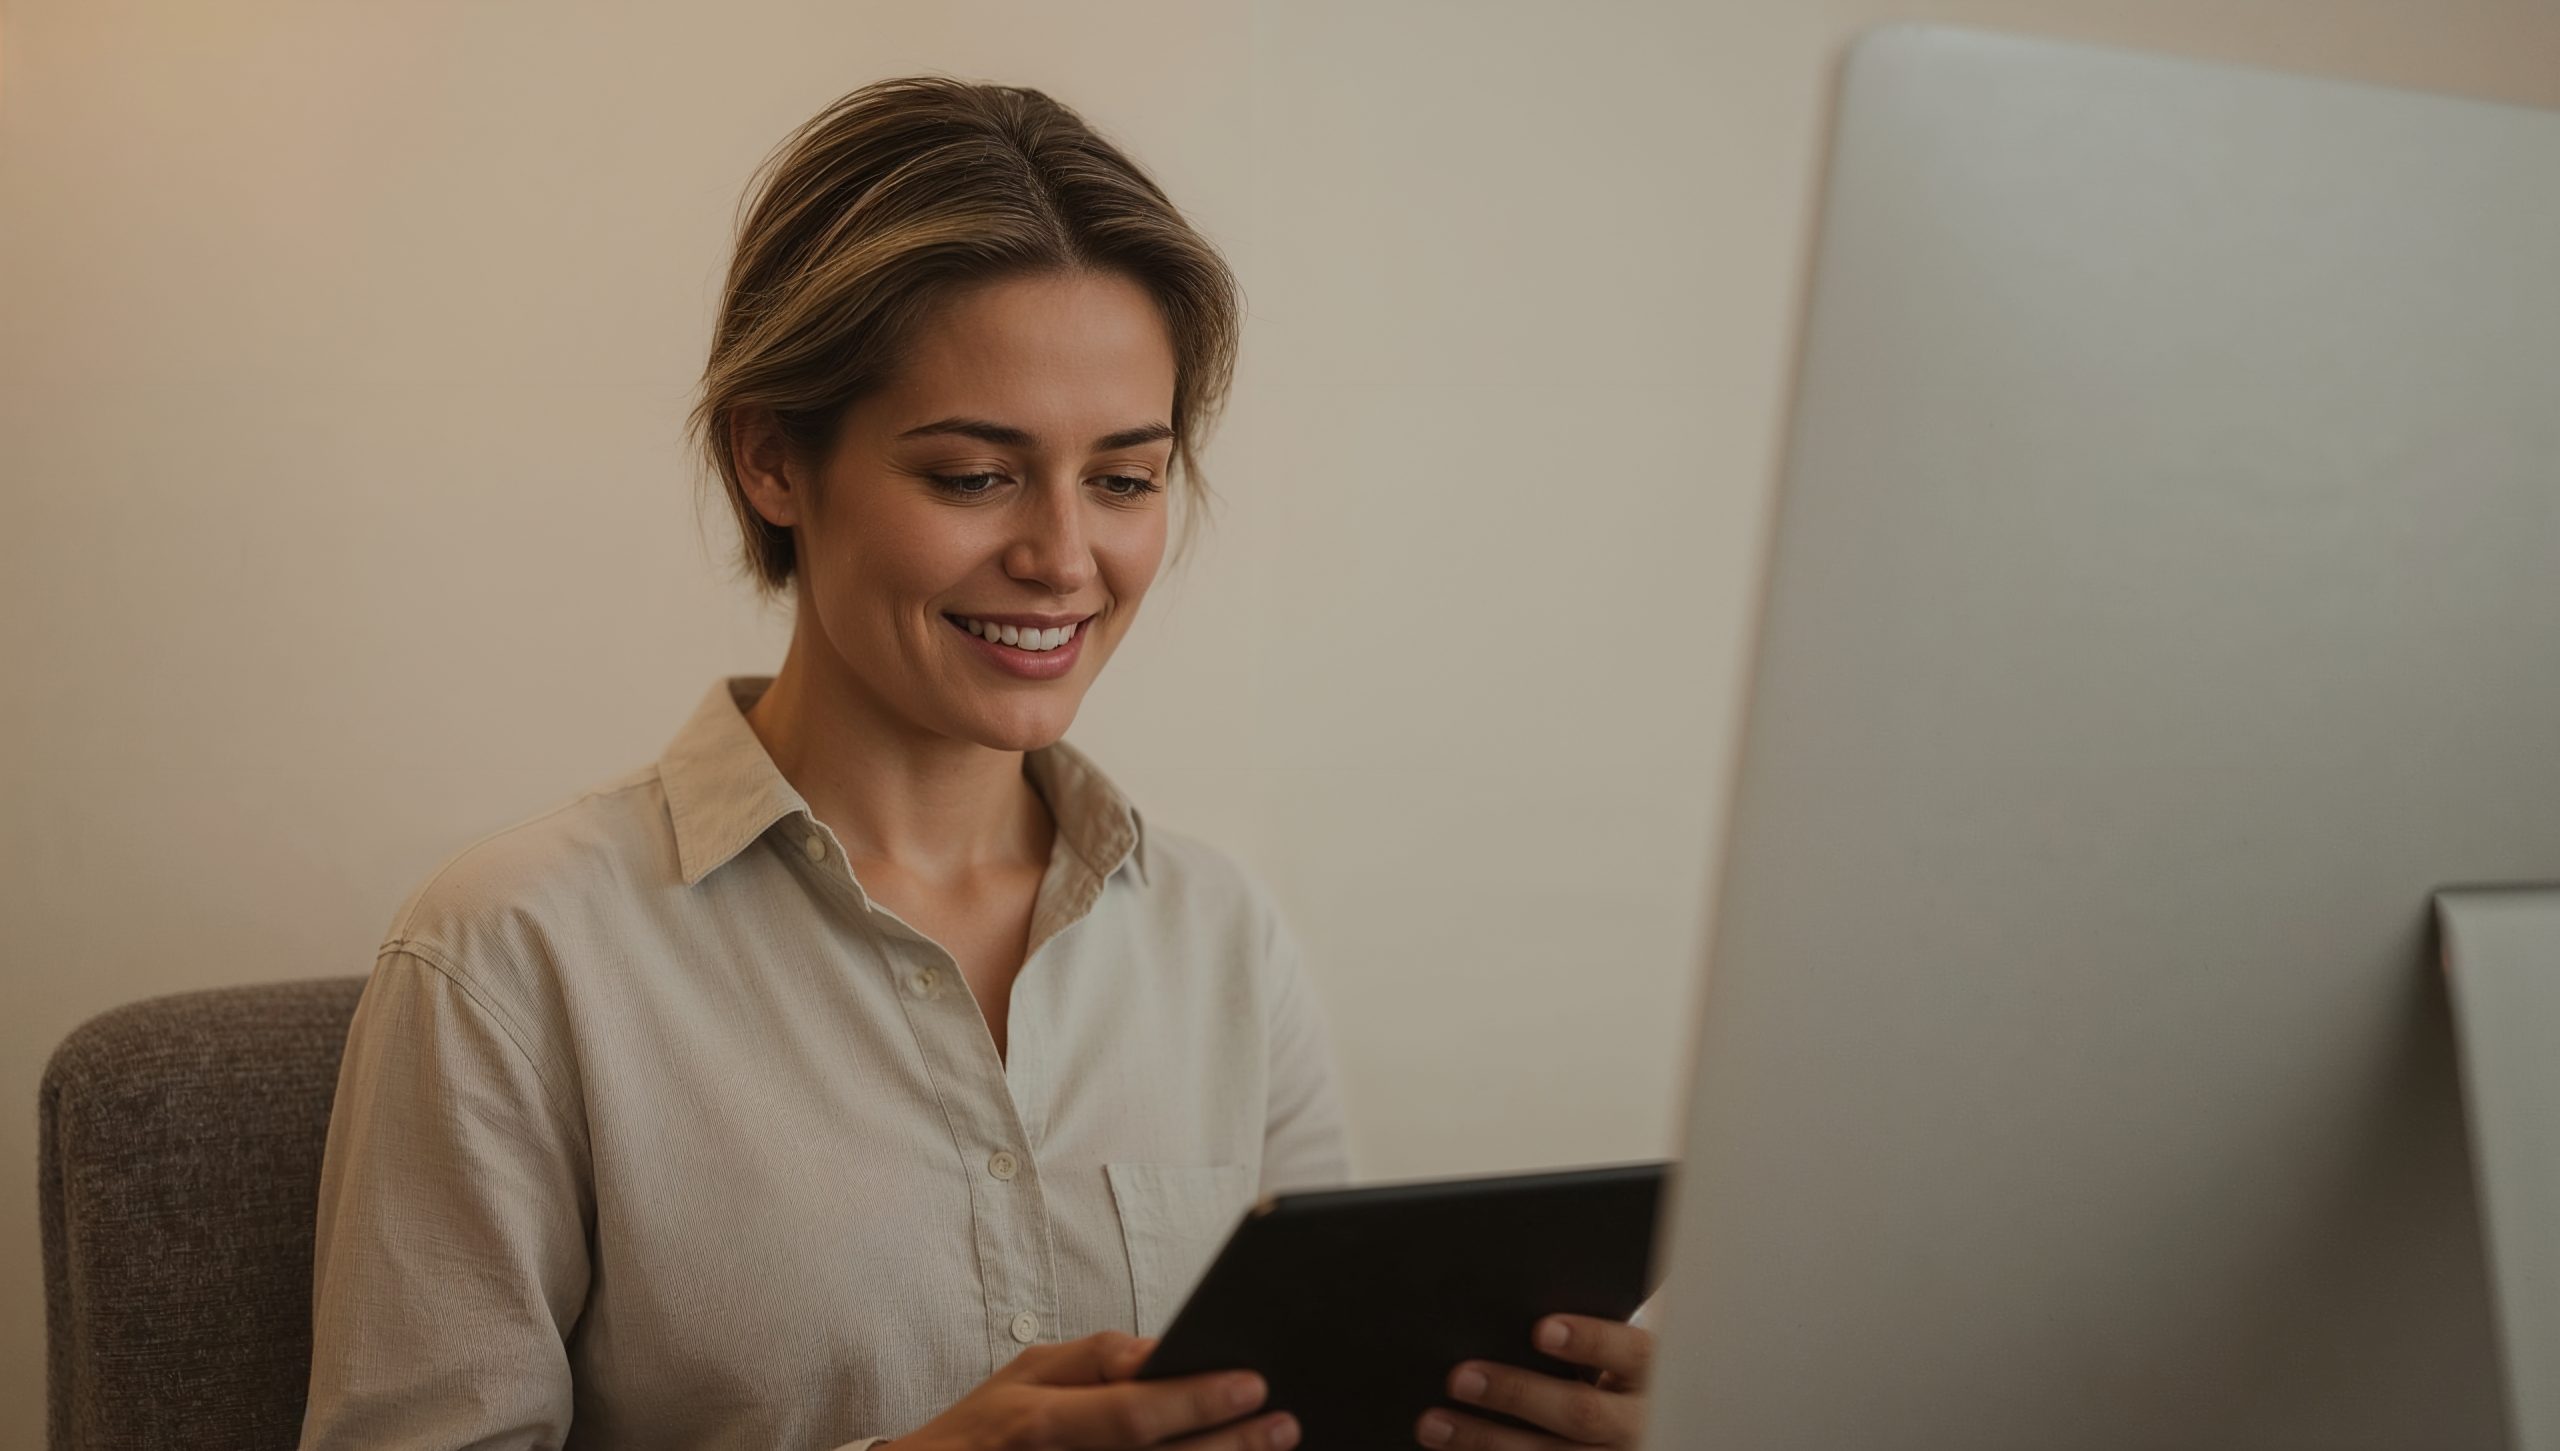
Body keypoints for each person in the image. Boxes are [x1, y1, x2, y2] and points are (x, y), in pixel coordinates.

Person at [296, 75, 1654, 1451]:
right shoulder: (514, 956)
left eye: (1124, 479)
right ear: (772, 458)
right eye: (973, 475)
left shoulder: (1222, 940)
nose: (1065, 560)